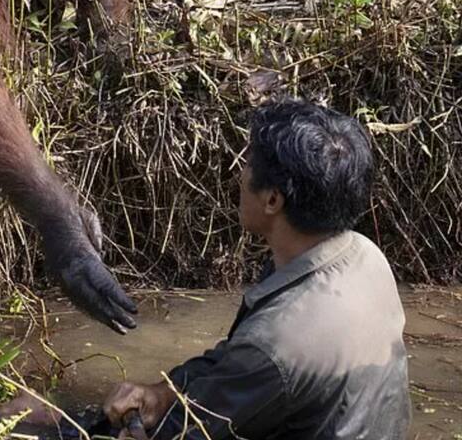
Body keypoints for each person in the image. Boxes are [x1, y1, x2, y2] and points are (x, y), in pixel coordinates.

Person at [102, 100, 411, 439]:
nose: (240, 175)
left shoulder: (274, 343)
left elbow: (192, 429)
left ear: (273, 200)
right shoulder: (366, 256)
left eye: (248, 165)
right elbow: (235, 362)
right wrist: (163, 393)